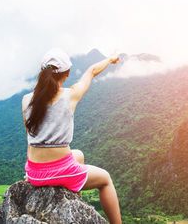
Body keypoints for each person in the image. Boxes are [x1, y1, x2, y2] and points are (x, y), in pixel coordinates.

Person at [21, 48, 122, 224]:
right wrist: (111, 59)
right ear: (67, 74)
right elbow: (91, 71)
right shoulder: (70, 95)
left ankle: (74, 203)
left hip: (34, 173)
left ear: (42, 73)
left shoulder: (26, 100)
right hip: (58, 172)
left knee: (79, 155)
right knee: (105, 179)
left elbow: (30, 139)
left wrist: (30, 170)